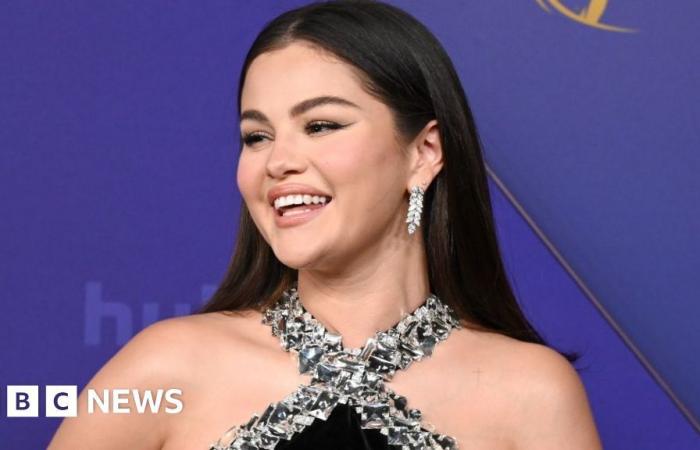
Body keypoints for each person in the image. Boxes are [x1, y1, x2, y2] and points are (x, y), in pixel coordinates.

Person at [49, 1, 603, 449]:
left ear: (424, 151)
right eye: (256, 136)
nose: (277, 161)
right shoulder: (165, 367)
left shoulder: (533, 392)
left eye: (320, 125)